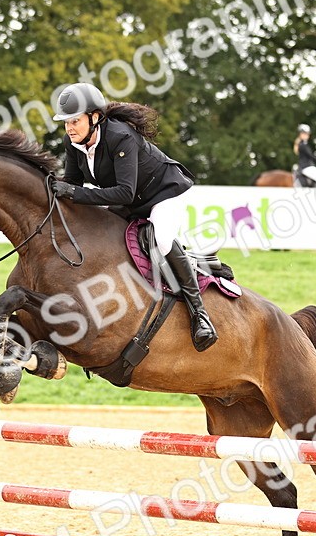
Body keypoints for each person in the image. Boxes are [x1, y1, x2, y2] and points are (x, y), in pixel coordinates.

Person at [49, 82, 217, 352]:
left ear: (94, 117)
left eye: (75, 121)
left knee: (161, 240)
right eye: (66, 122)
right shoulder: (75, 145)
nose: (69, 128)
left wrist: (72, 191)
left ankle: (200, 314)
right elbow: (72, 188)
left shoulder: (120, 136)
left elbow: (124, 193)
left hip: (164, 193)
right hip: (131, 200)